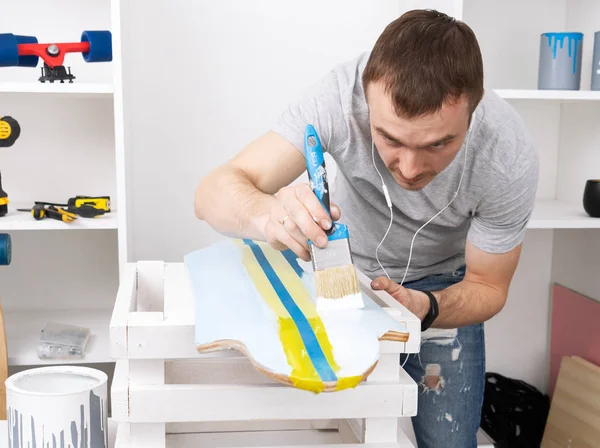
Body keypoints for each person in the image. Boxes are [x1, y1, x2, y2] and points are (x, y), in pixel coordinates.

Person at [193, 8, 539, 448]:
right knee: (338, 429)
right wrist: (267, 214)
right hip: (345, 278)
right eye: (390, 138)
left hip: (443, 291)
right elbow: (210, 194)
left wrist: (427, 307)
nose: (410, 169)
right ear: (364, 100)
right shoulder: (337, 98)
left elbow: (489, 286)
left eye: (438, 143)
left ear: (473, 108)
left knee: (450, 441)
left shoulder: (507, 155)